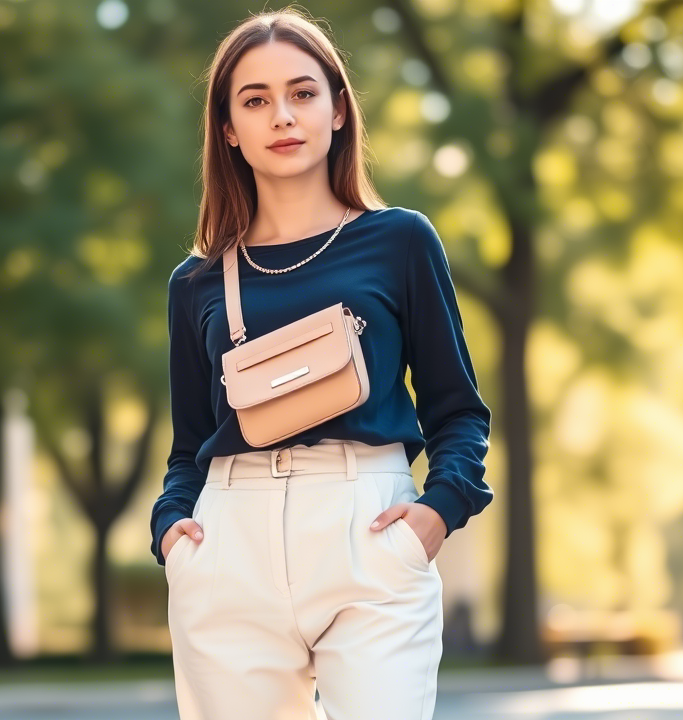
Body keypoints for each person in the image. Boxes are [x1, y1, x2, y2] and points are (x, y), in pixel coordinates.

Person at [147, 8, 494, 720]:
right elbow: (190, 445)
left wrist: (435, 516)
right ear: (228, 130)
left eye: (303, 93)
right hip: (228, 549)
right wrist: (170, 528)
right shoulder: (196, 282)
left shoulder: (400, 241)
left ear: (338, 110)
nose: (283, 115)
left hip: (369, 536)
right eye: (256, 100)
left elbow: (458, 411)